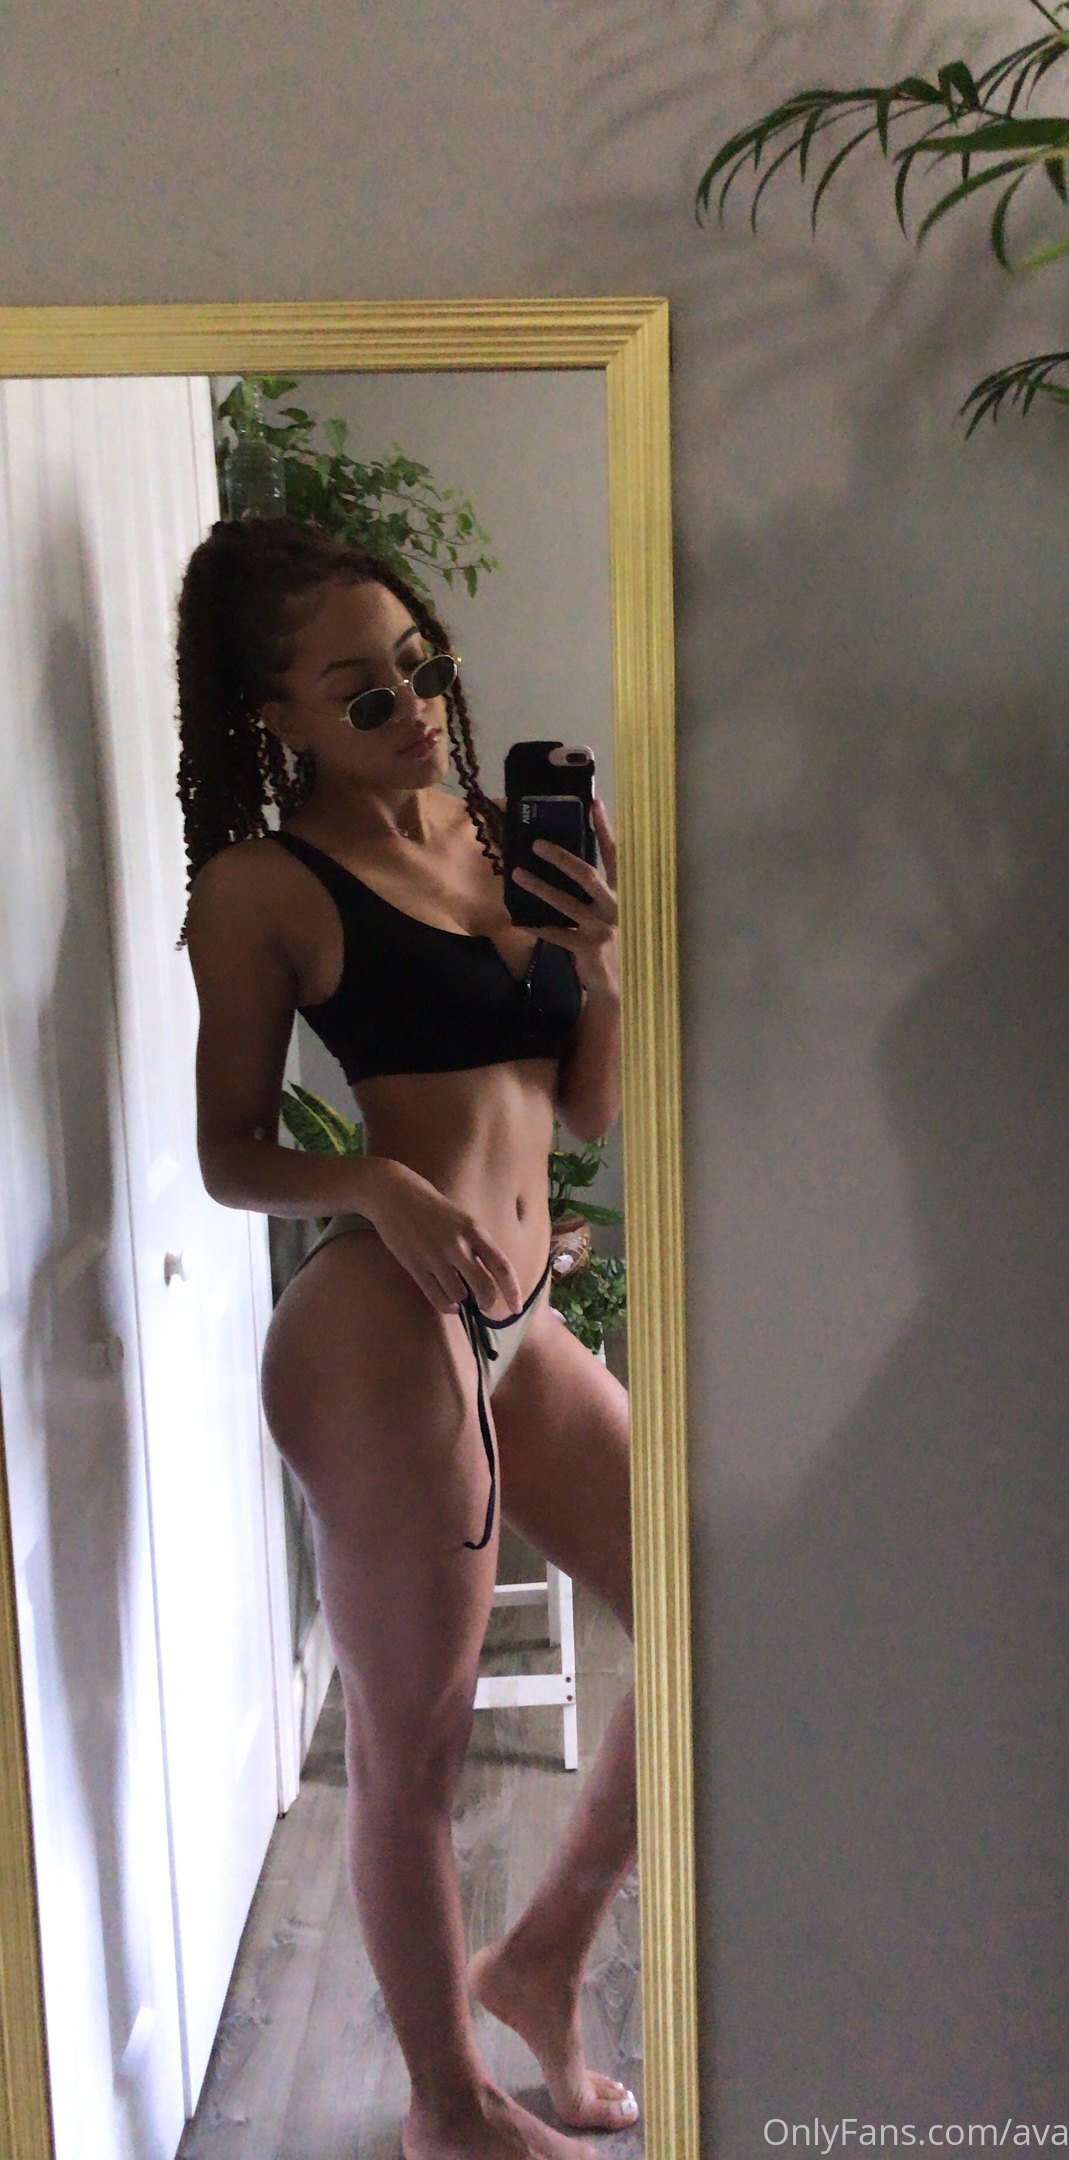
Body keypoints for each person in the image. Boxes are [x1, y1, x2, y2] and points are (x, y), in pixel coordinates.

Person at [176, 514, 637, 2160]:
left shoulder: (502, 837)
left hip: (524, 1322)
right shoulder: (262, 888)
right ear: (275, 720)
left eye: (420, 668)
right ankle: (451, 2106)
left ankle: (542, 1958)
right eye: (363, 694)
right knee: (415, 1744)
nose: (416, 709)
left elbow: (582, 1116)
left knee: (708, 1605)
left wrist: (595, 962)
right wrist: (373, 1181)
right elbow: (230, 1154)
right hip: (382, 1337)